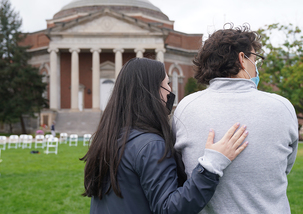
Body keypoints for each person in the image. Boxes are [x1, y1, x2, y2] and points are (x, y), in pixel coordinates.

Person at [81, 57, 249, 214]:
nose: (170, 90)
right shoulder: (150, 145)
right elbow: (168, 208)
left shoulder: (111, 138)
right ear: (152, 91)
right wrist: (211, 165)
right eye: (167, 84)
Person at [173, 24, 298, 214]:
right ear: (242, 59)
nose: (257, 68)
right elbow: (285, 167)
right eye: (255, 59)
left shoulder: (185, 108)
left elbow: (180, 169)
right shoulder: (282, 107)